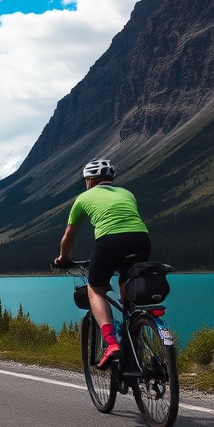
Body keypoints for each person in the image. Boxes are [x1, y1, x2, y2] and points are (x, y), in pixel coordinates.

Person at [54, 158, 150, 369]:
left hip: (110, 242)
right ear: (111, 179)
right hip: (141, 240)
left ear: (89, 180)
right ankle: (132, 328)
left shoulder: (84, 198)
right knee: (126, 280)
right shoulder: (127, 194)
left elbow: (69, 235)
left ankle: (111, 343)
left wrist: (63, 258)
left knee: (95, 290)